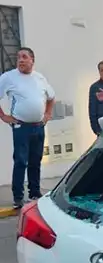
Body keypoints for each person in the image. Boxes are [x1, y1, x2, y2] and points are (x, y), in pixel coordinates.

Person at [0, 47, 55, 209]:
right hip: (20, 127)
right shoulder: (9, 77)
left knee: (35, 161)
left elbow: (51, 97)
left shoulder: (40, 78)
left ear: (32, 60)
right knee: (20, 161)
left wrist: (47, 114)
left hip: (38, 127)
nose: (21, 60)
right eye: (18, 58)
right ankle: (18, 196)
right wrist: (4, 116)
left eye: (24, 57)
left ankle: (34, 192)